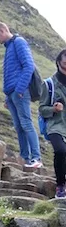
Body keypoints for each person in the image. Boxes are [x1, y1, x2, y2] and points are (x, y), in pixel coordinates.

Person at [0, 21, 43, 170]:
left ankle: (36, 158)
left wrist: (19, 89)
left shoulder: (19, 42)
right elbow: (12, 73)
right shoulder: (9, 47)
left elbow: (28, 66)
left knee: (26, 123)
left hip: (19, 92)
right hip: (12, 93)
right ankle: (25, 157)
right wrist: (8, 96)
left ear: (1, 31)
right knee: (19, 126)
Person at [39, 47, 66, 198]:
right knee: (61, 151)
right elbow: (42, 109)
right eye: (65, 64)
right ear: (58, 63)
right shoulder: (48, 84)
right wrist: (53, 109)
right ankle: (60, 186)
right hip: (55, 126)